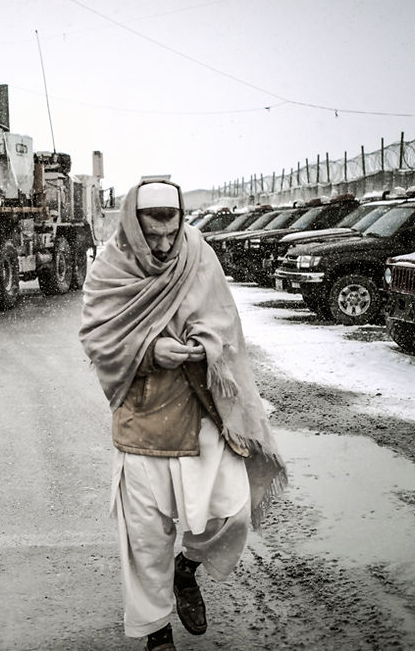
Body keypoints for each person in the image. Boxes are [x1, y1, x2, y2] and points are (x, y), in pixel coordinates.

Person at [79, 179, 287, 650]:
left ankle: (186, 568)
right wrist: (149, 350)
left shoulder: (197, 254)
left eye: (170, 234)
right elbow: (97, 337)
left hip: (202, 409)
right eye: (152, 236)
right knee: (146, 539)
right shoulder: (111, 265)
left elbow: (223, 320)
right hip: (143, 420)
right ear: (134, 225)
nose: (163, 245)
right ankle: (156, 632)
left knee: (232, 514)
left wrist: (203, 342)